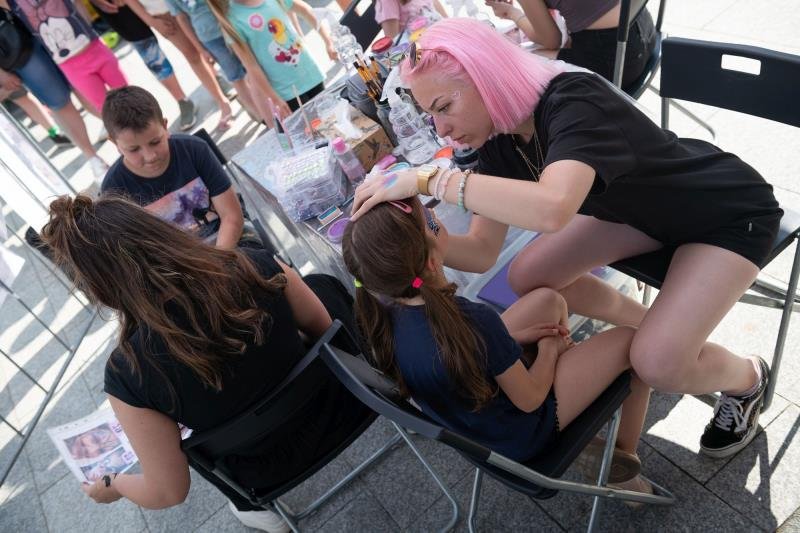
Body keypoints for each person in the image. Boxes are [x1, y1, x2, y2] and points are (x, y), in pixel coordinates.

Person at [351, 18, 779, 458]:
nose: (441, 129)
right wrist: (419, 244)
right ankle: (653, 328)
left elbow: (553, 208)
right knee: (528, 276)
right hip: (639, 215)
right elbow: (481, 251)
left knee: (657, 365)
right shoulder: (499, 138)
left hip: (721, 213)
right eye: (430, 115)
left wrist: (430, 180)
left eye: (443, 107)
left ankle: (748, 379)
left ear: (486, 77)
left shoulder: (574, 101)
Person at [43, 194, 372, 532]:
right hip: (345, 404)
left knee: (181, 446)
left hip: (264, 470)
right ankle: (390, 378)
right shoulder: (250, 264)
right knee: (323, 286)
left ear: (100, 288)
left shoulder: (128, 373)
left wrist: (114, 484)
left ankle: (257, 511)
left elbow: (168, 491)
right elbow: (326, 330)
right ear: (161, 231)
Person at [342, 196, 653, 490]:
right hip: (523, 432)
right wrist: (549, 349)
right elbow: (530, 399)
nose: (434, 214)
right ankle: (620, 462)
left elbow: (462, 353)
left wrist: (509, 341)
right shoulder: (473, 320)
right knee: (636, 344)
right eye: (430, 221)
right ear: (433, 262)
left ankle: (579, 402)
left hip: (479, 429)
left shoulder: (384, 322)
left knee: (548, 300)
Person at [100, 86, 249, 249]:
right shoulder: (113, 189)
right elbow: (134, 251)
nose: (150, 156)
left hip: (228, 240)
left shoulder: (194, 149)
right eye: (134, 149)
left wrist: (221, 259)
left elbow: (231, 216)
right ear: (114, 143)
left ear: (165, 126)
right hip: (174, 260)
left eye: (155, 142)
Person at [0, 3, 109, 178]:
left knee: (82, 83)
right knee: (59, 102)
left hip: (46, 21)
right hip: (15, 46)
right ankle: (93, 159)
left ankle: (118, 129)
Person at [206, 0, 337, 119]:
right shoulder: (231, 21)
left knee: (333, 120)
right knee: (315, 130)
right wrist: (274, 98)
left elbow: (307, 11)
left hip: (312, 75)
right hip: (287, 94)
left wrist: (328, 41)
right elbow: (251, 66)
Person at [485, 0, 655, 90]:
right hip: (645, 34)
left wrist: (513, 13)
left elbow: (551, 40)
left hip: (617, 66)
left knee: (512, 60)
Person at [121, 0, 235, 129]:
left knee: (215, 44)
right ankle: (222, 102)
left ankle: (234, 84)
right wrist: (152, 22)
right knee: (193, 56)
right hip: (161, 14)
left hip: (190, 4)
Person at [88, 0, 199, 131]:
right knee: (150, 53)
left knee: (190, 32)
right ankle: (182, 100)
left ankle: (213, 74)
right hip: (117, 10)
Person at [8, 0, 128, 116]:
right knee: (107, 111)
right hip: (72, 67)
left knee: (128, 96)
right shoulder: (13, 3)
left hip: (95, 48)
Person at [165, 0, 261, 122]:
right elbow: (182, 19)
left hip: (230, 26)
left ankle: (265, 104)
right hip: (210, 39)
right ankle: (258, 114)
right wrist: (201, 49)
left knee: (252, 65)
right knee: (235, 76)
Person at [375, 0, 448, 39]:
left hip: (445, 38)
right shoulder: (386, 2)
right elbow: (394, 42)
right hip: (423, 52)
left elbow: (446, 20)